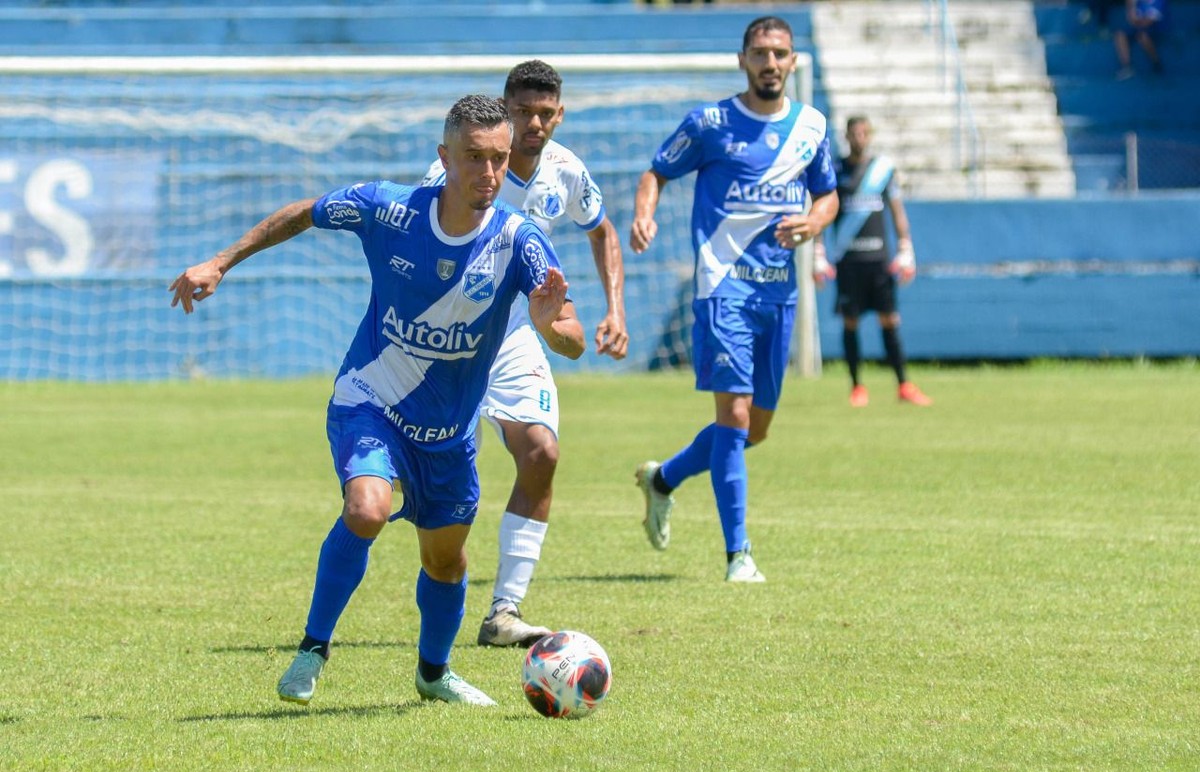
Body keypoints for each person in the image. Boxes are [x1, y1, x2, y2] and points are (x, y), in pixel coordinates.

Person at [168, 94, 585, 707]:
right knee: (366, 509)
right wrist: (222, 261)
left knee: (445, 562)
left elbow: (571, 337)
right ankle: (313, 648)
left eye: (498, 159)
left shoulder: (518, 241)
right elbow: (305, 213)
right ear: (444, 158)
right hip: (371, 399)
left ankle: (433, 674)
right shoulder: (389, 209)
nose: (489, 174)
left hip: (446, 432)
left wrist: (551, 326)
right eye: (474, 158)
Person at [421, 60, 628, 648]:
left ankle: (504, 611)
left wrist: (615, 308)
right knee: (446, 490)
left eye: (545, 113)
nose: (534, 123)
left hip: (513, 335)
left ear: (559, 115)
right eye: (522, 112)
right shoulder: (463, 169)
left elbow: (602, 230)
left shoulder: (566, 172)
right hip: (447, 340)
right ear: (504, 112)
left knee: (541, 452)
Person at [628, 16, 838, 583]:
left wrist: (814, 222)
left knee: (753, 430)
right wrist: (644, 213)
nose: (771, 63)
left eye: (781, 54)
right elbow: (655, 171)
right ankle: (738, 555)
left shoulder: (811, 127)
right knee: (735, 415)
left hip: (780, 294)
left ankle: (663, 479)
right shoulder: (710, 123)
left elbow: (829, 195)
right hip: (723, 288)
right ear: (742, 59)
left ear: (793, 62)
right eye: (761, 53)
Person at [813, 116, 932, 408]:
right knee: (850, 322)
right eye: (855, 133)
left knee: (890, 320)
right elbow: (823, 211)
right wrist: (818, 252)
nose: (859, 138)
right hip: (849, 260)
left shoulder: (882, 171)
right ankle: (857, 387)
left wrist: (906, 248)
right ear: (847, 136)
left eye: (864, 133)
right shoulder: (836, 170)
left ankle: (903, 384)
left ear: (870, 136)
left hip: (878, 260)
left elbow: (897, 211)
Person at [1114, 0, 1168, 79]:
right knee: (1119, 34)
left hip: (1157, 30)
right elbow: (1130, 19)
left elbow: (1148, 22)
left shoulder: (1159, 1)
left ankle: (1156, 62)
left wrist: (1135, 20)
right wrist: (1131, 7)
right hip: (1139, 27)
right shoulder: (1138, 2)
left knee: (1142, 36)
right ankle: (1127, 67)